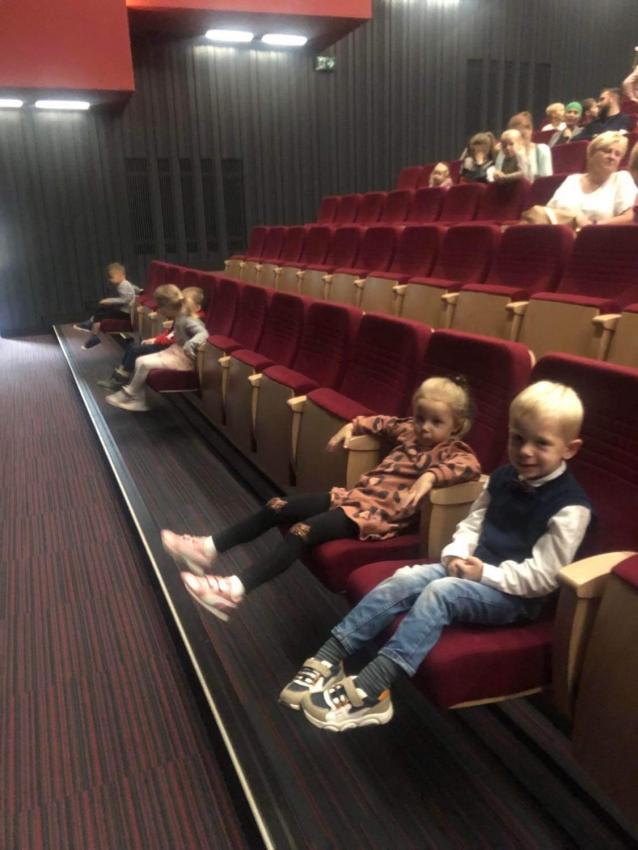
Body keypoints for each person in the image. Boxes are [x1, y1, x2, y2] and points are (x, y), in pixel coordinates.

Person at [280, 381, 592, 731]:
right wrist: (456, 552)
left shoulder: (571, 508)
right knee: (403, 579)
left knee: (440, 593)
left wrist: (483, 574)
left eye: (542, 443)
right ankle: (331, 655)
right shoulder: (505, 476)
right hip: (472, 569)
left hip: (513, 596)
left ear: (570, 449)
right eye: (517, 438)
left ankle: (373, 689)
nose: (525, 451)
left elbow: (543, 578)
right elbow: (475, 521)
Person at [162, 376, 482, 620]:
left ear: (458, 427)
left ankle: (234, 589)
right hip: (352, 498)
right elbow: (379, 422)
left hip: (374, 515)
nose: (424, 427)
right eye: (421, 417)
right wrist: (351, 427)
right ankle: (209, 548)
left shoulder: (454, 451)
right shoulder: (408, 430)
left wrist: (429, 476)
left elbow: (470, 467)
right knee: (278, 506)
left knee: (302, 531)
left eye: (436, 422)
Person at [105, 284, 207, 412]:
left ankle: (129, 394)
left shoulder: (188, 319)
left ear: (168, 307)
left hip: (185, 359)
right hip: (174, 351)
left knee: (144, 363)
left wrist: (190, 344)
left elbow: (204, 333)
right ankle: (139, 400)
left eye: (160, 307)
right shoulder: (179, 315)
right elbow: (173, 334)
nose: (159, 310)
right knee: (139, 360)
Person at [522, 132, 635, 227]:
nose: (612, 157)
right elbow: (548, 212)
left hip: (595, 239)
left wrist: (593, 225)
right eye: (607, 151)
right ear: (591, 153)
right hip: (558, 236)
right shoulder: (572, 179)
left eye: (618, 154)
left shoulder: (621, 178)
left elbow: (629, 217)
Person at [74, 263, 140, 350]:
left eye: (112, 277)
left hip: (126, 313)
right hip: (125, 311)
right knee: (102, 310)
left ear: (120, 275)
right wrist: (140, 291)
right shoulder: (126, 283)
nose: (110, 280)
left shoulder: (123, 285)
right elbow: (136, 289)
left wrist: (109, 300)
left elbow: (126, 299)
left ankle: (93, 333)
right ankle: (92, 331)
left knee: (102, 312)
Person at [505, 112, 553, 179]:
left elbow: (546, 179)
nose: (519, 140)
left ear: (530, 130)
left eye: (522, 135)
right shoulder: (504, 152)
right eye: (515, 138)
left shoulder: (542, 149)